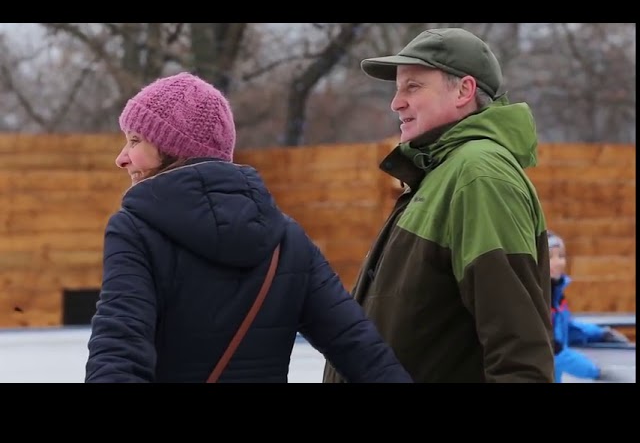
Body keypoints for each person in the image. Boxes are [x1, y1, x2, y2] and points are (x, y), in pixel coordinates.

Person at [84, 72, 413, 383]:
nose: (121, 158)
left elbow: (118, 349)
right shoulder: (287, 238)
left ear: (173, 148)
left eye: (135, 140)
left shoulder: (135, 229)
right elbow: (360, 349)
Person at [323, 27, 555, 383]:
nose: (396, 102)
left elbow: (520, 353)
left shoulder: (480, 176)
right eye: (397, 88)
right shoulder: (441, 174)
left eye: (413, 86)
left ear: (464, 90)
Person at [549, 231, 630, 383]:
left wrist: (602, 334)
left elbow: (567, 329)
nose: (558, 262)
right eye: (550, 257)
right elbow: (553, 349)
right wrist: (597, 372)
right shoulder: (537, 301)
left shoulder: (557, 296)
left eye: (561, 256)